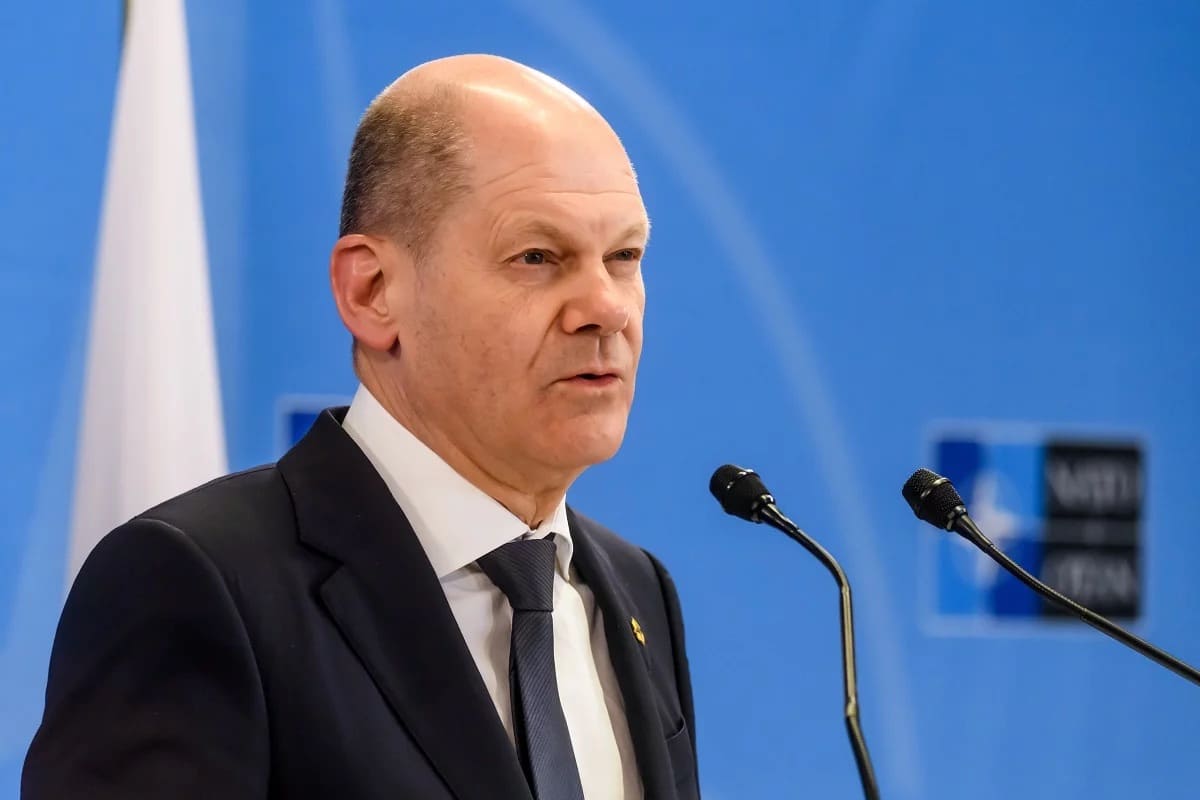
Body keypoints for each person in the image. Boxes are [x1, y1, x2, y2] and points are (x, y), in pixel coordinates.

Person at [22, 54, 699, 800]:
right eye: (537, 257)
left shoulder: (636, 588)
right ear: (372, 291)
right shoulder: (197, 585)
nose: (607, 308)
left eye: (624, 256)